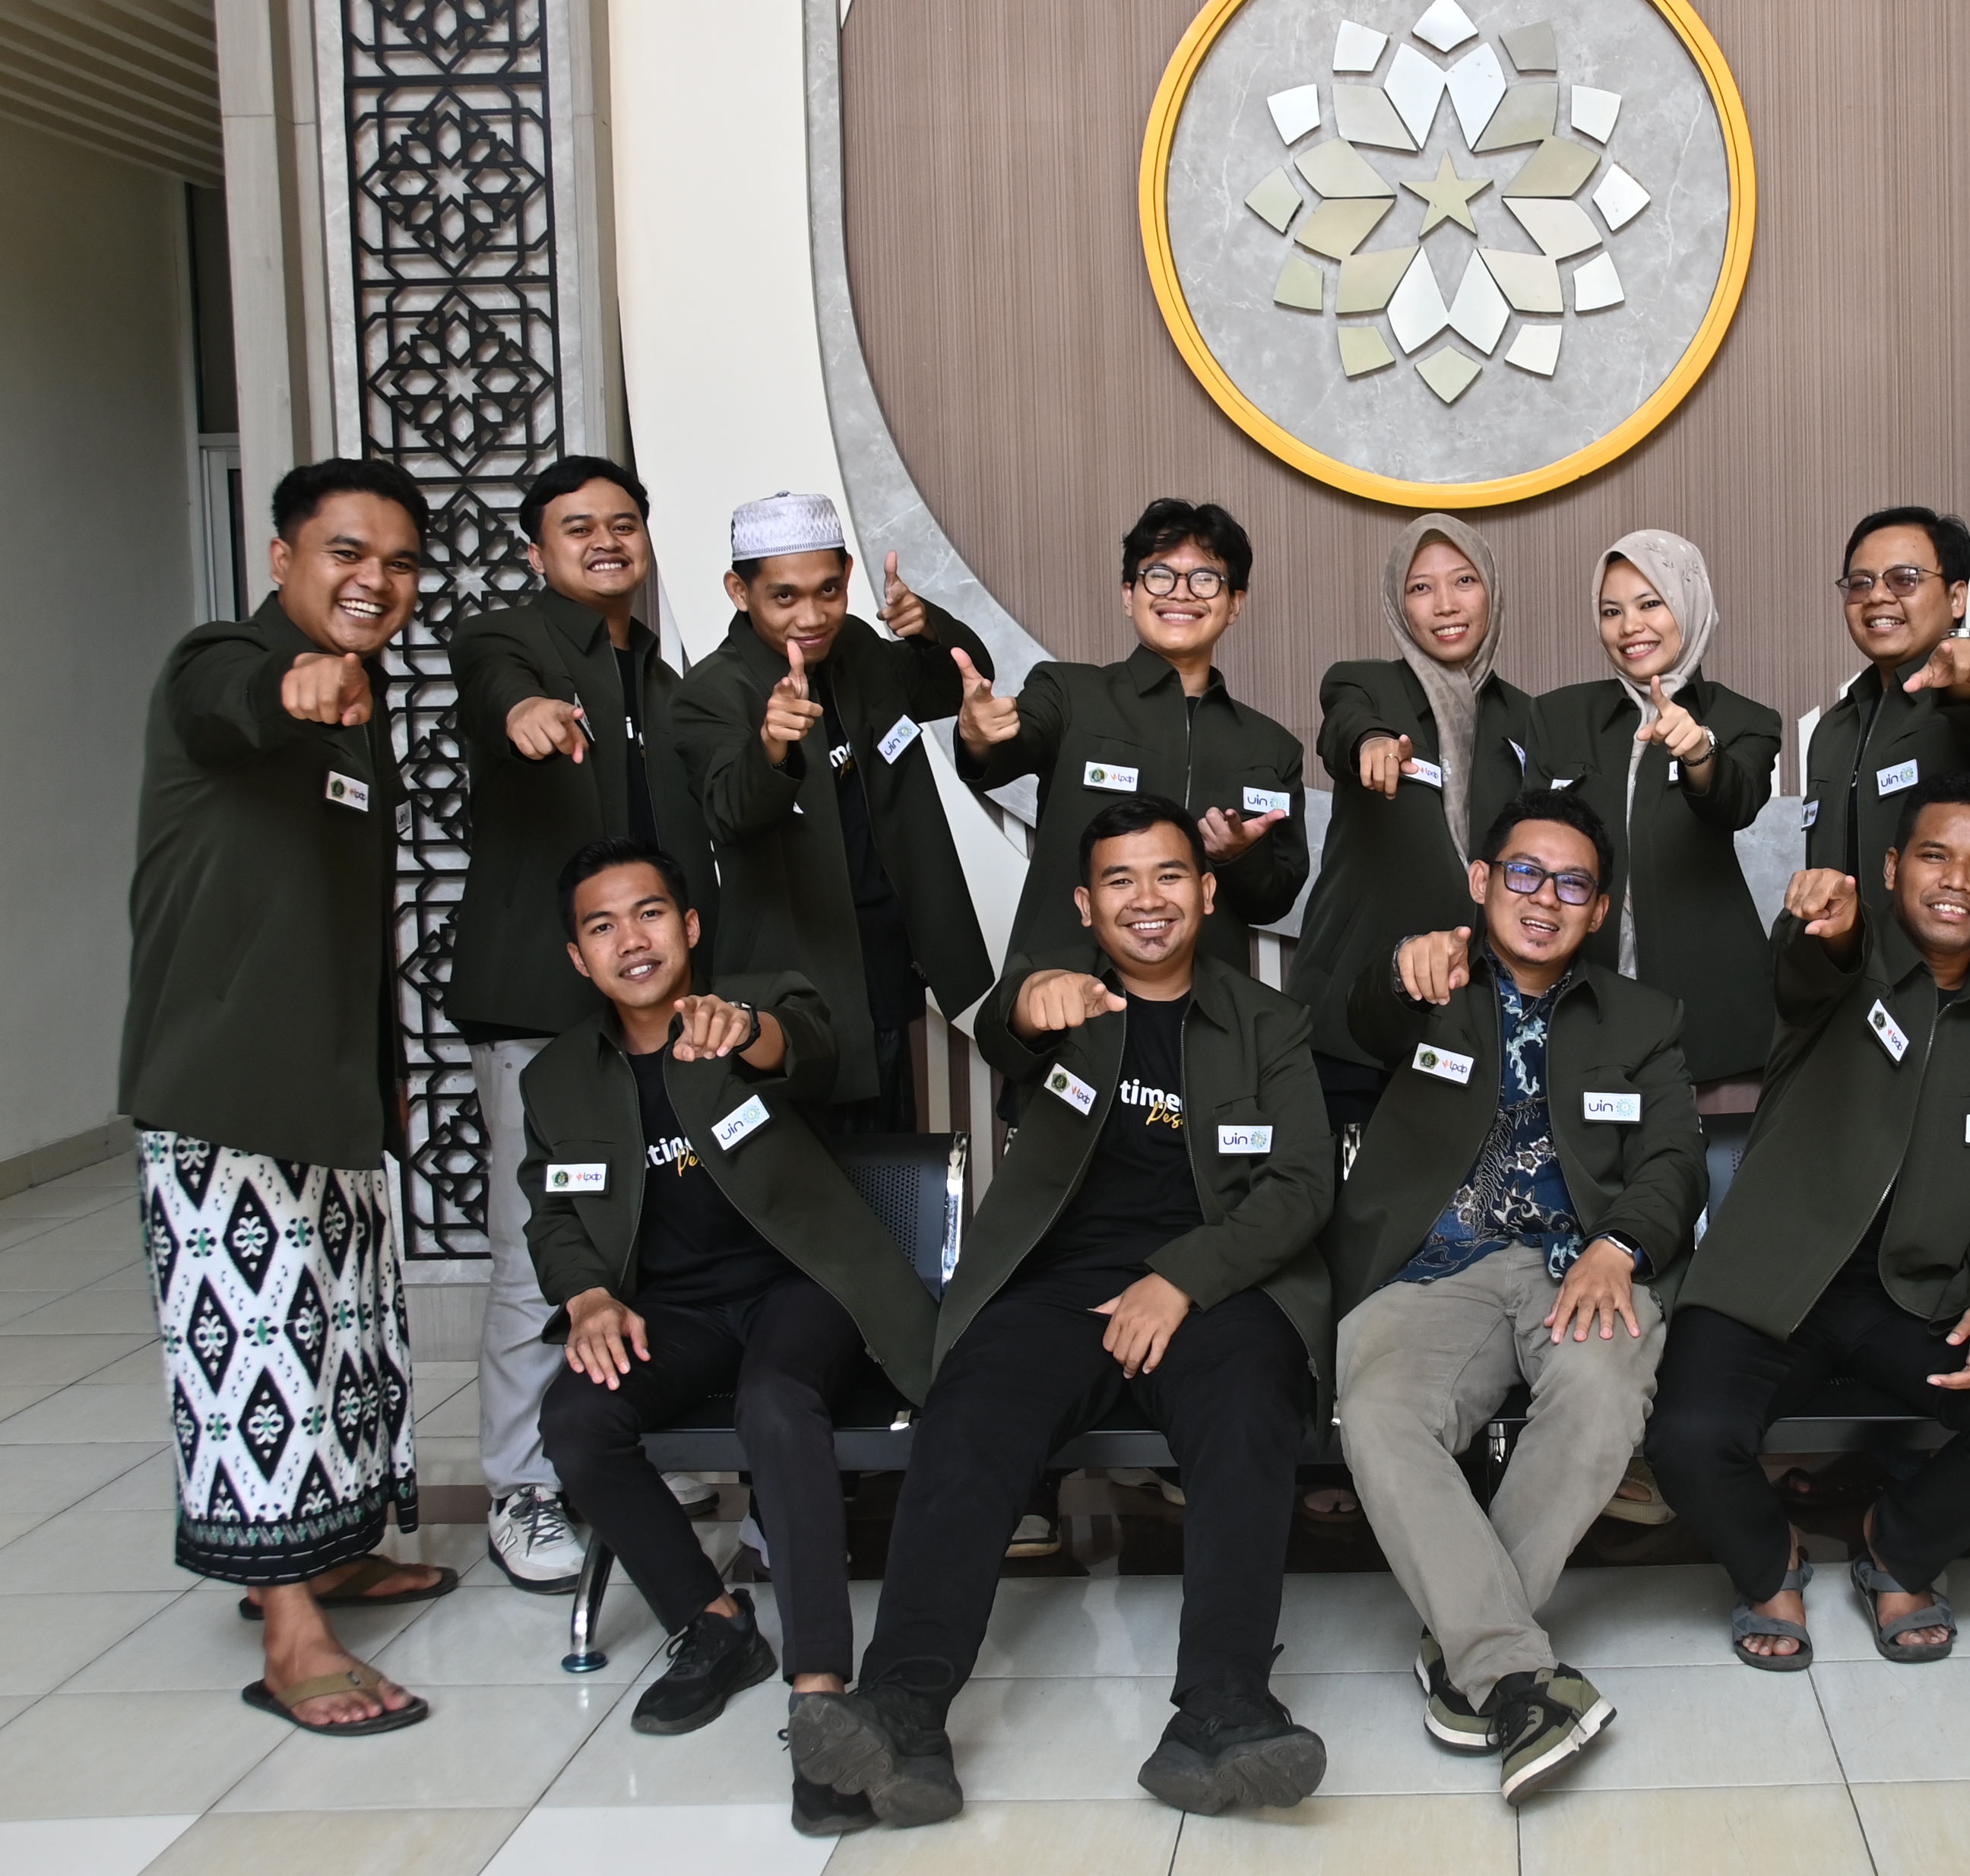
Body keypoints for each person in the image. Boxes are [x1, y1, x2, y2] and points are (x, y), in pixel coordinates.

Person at [792, 796, 1337, 1824]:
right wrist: (1024, 1004)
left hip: (1218, 1285)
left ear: (1206, 893)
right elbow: (1010, 1027)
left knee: (1250, 1411)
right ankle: (903, 1709)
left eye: (1169, 875)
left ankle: (1222, 1706)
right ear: (1086, 906)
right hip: (1059, 1286)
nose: (1147, 899)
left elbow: (1304, 1185)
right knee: (969, 1411)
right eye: (1120, 881)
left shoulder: (1268, 1022)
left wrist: (1181, 1277)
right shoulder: (1062, 1006)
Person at [120, 458, 457, 1733]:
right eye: (347, 553)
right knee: (255, 1349)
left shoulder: (365, 712)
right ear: (283, 559)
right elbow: (233, 704)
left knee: (342, 1336)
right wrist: (293, 684)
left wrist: (384, 1074)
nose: (377, 581)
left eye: (401, 563)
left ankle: (334, 1550)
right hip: (225, 1090)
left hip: (330, 1089)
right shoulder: (226, 660)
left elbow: (345, 917)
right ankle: (289, 1631)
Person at [523, 841, 938, 1836]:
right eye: (602, 925)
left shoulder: (751, 1006)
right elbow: (554, 1212)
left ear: (689, 925)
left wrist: (748, 1029)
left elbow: (812, 1045)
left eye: (650, 912)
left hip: (803, 1281)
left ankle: (821, 1691)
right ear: (579, 957)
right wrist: (587, 1295)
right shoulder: (557, 1078)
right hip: (672, 1311)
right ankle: (713, 1626)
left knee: (775, 1401)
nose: (632, 939)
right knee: (575, 1418)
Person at [1645, 772, 1970, 1672]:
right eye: (1934, 855)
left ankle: (1899, 1544)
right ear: (1890, 867)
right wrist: (1830, 925)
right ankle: (1771, 1558)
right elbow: (1813, 965)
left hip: (1921, 1295)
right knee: (1685, 1438)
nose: (1956, 880)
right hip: (1774, 1281)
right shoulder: (1844, 957)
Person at [1329, 790, 1706, 1801]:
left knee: (1602, 1391)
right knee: (1379, 1410)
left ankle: (1477, 1654)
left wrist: (1620, 1244)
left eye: (1573, 884)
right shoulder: (1432, 981)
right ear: (1482, 880)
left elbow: (1674, 1159)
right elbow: (1362, 1014)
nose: (1545, 898)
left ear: (1600, 908)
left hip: (1577, 1267)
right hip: (1432, 1267)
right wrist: (1400, 970)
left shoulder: (1643, 1019)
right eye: (1525, 873)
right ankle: (1508, 1664)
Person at [449, 455, 721, 1596]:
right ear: (537, 550)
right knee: (540, 1246)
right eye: (578, 527)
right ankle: (521, 1481)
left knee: (650, 1227)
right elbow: (494, 684)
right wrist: (523, 714)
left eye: (623, 523)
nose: (606, 541)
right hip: (541, 1004)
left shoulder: (656, 672)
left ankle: (614, 1442)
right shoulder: (508, 641)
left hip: (650, 1011)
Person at [667, 494, 996, 1132]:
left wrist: (928, 629)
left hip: (886, 957)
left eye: (828, 590)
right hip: (795, 978)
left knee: (891, 1157)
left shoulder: (858, 649)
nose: (812, 616)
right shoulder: (710, 693)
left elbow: (956, 681)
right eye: (784, 597)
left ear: (848, 574)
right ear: (739, 591)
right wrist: (770, 747)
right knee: (808, 1163)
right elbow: (730, 812)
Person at [954, 498, 1309, 978]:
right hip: (1065, 995)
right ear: (1128, 595)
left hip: (1203, 1009)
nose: (1181, 592)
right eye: (1159, 575)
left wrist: (1238, 857)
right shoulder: (1068, 692)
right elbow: (1010, 747)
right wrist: (978, 733)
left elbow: (1276, 900)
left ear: (1235, 605)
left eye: (1205, 578)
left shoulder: (1272, 748)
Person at [1291, 513, 1541, 1125]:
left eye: (1464, 581)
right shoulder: (1367, 685)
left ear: (1491, 590)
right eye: (1421, 587)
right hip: (1350, 1013)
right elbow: (1345, 724)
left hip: (1471, 1017)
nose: (1445, 604)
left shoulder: (1528, 719)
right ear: (1399, 604)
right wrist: (1371, 743)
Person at [1532, 531, 1783, 1101]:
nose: (1630, 627)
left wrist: (1699, 752)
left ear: (1688, 605)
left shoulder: (1746, 719)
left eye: (1651, 604)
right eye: (1611, 611)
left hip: (1711, 1000)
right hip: (1580, 982)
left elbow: (1737, 800)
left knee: (1698, 1146)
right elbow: (1528, 835)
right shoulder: (1557, 715)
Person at [1797, 506, 1970, 910]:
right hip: (1842, 951)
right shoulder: (1832, 729)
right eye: (1860, 583)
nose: (1877, 596)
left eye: (1904, 579)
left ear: (1957, 597)